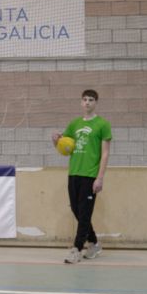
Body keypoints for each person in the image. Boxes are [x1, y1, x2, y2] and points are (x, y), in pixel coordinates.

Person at [51, 89, 112, 264]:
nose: (87, 102)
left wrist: (100, 178)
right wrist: (55, 140)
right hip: (74, 173)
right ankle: (94, 243)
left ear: (96, 103)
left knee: (85, 213)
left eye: (91, 100)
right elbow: (65, 148)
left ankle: (76, 248)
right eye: (84, 99)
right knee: (77, 210)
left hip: (90, 174)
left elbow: (105, 154)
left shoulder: (103, 124)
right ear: (81, 102)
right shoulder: (74, 124)